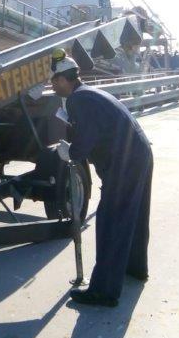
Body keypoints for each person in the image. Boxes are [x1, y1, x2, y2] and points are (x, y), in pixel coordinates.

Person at [50, 49, 153, 307]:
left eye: (53, 81)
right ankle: (134, 268)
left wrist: (71, 152)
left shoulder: (78, 100)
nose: (52, 86)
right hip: (139, 154)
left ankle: (104, 291)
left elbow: (87, 138)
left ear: (63, 79)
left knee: (111, 221)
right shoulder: (90, 93)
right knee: (134, 216)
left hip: (124, 163)